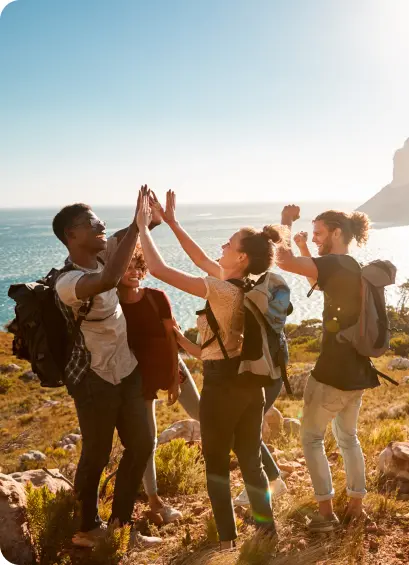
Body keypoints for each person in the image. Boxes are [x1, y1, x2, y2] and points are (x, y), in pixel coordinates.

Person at [135, 192, 281, 550]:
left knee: (216, 464)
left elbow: (158, 271)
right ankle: (267, 532)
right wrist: (171, 222)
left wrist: (142, 227)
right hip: (249, 386)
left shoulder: (220, 289)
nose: (222, 245)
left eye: (229, 243)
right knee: (250, 460)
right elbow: (200, 259)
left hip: (221, 390)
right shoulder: (242, 287)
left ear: (242, 257)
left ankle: (227, 542)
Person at [52, 186, 162, 548]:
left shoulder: (105, 252)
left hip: (126, 369)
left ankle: (120, 525)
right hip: (94, 379)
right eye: (90, 221)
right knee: (97, 453)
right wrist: (133, 226)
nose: (101, 224)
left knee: (142, 443)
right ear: (72, 235)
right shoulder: (67, 282)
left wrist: (149, 216)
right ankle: (87, 528)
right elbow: (109, 281)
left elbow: (147, 226)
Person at [275, 205, 377, 533]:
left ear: (336, 233)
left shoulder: (335, 263)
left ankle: (325, 514)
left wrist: (286, 224)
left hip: (332, 372)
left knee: (311, 438)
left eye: (319, 233)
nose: (315, 237)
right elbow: (318, 282)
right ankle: (356, 509)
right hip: (358, 371)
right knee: (348, 438)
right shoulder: (349, 266)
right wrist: (306, 247)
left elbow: (283, 261)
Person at [117, 243, 202, 524]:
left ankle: (249, 470)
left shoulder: (156, 297)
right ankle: (154, 500)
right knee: (147, 440)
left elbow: (172, 337)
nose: (133, 272)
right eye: (126, 267)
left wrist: (174, 380)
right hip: (138, 376)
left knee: (203, 415)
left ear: (143, 270)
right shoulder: (112, 304)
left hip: (169, 365)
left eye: (137, 267)